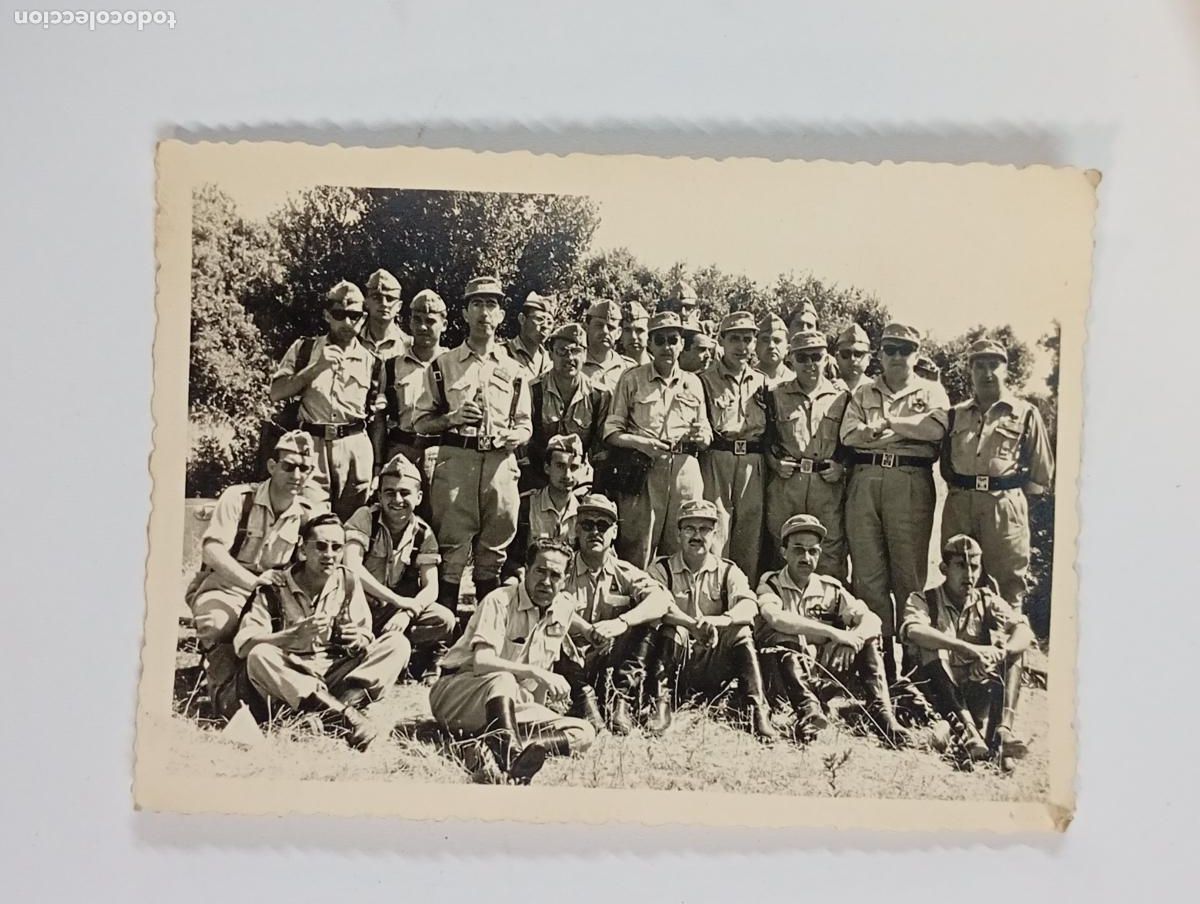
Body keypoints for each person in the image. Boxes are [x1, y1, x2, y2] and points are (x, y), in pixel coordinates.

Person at [234, 513, 411, 750]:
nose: (329, 555)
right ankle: (346, 718)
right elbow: (244, 646)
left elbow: (366, 635)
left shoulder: (348, 580)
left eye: (337, 547)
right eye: (321, 546)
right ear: (302, 550)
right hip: (294, 676)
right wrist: (290, 636)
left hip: (338, 673)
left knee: (397, 644)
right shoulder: (274, 587)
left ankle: (330, 712)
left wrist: (357, 639)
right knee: (260, 656)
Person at [428, 537, 596, 784]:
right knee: (504, 678)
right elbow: (482, 662)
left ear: (565, 580)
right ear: (526, 571)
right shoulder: (500, 600)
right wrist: (536, 673)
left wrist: (540, 707)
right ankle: (510, 756)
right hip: (459, 694)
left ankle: (494, 747)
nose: (546, 581)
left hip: (508, 707)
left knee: (583, 733)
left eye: (555, 575)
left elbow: (539, 683)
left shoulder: (563, 609)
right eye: (540, 571)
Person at [412, 275, 532, 613]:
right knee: (451, 551)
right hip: (457, 462)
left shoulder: (515, 369)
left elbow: (525, 425)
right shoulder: (443, 365)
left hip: (499, 464)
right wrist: (452, 418)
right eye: (477, 304)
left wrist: (515, 436)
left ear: (502, 315)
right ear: (464, 313)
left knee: (493, 554)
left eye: (491, 304)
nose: (484, 312)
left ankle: (485, 637)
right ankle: (440, 639)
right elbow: (421, 422)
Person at [841, 323, 950, 683]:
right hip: (866, 480)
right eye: (891, 349)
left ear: (917, 354)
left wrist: (887, 423)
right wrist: (904, 431)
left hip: (910, 481)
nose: (898, 357)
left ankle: (917, 670)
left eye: (905, 350)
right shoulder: (864, 391)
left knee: (908, 575)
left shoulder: (930, 390)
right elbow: (850, 437)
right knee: (868, 577)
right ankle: (878, 672)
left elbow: (934, 430)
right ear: (880, 353)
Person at [187, 431, 321, 714]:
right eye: (288, 466)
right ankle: (223, 687)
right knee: (217, 622)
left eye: (304, 468)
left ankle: (281, 691)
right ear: (272, 466)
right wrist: (253, 582)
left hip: (273, 596)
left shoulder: (308, 513)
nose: (297, 475)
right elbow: (212, 550)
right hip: (226, 586)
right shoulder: (239, 498)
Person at [756, 514, 911, 746]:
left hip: (825, 672)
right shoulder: (771, 583)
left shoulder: (830, 588)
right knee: (782, 636)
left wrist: (853, 639)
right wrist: (834, 634)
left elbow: (872, 619)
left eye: (813, 551)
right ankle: (808, 713)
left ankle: (883, 715)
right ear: (783, 552)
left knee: (868, 639)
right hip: (785, 677)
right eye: (798, 550)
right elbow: (775, 618)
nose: (806, 558)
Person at [642, 500, 778, 739]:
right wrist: (691, 625)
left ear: (715, 534)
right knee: (672, 631)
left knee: (741, 631)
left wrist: (719, 621)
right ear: (678, 533)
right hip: (677, 662)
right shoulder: (661, 568)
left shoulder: (728, 570)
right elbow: (657, 606)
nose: (697, 536)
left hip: (716, 661)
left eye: (704, 529)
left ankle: (757, 710)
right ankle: (661, 705)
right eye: (689, 529)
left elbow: (749, 605)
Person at [900, 534, 1035, 761]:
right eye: (960, 566)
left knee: (1014, 653)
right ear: (944, 568)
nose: (969, 575)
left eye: (974, 567)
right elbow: (914, 630)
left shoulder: (985, 599)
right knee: (931, 647)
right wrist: (967, 649)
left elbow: (1024, 630)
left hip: (973, 690)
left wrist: (999, 654)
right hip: (934, 693)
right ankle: (969, 734)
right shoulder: (924, 599)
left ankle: (1003, 733)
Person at [941, 339, 1055, 607]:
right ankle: (963, 648)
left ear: (1006, 370)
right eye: (979, 366)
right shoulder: (955, 414)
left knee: (1008, 585)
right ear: (970, 371)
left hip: (1003, 505)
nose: (987, 373)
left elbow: (1041, 474)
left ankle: (1008, 648)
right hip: (961, 504)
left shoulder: (1025, 413)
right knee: (958, 582)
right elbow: (946, 464)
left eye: (994, 365)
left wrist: (1011, 503)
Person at [556, 493, 672, 734]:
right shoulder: (561, 568)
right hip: (566, 663)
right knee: (552, 623)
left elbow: (662, 599)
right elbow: (546, 603)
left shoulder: (624, 571)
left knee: (648, 619)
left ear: (615, 532)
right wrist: (585, 629)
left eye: (603, 525)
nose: (595, 532)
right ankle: (584, 700)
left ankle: (621, 700)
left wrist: (622, 622)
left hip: (608, 661)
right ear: (577, 530)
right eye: (587, 525)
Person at [604, 310, 712, 568]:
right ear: (650, 344)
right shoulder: (632, 379)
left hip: (685, 474)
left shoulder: (694, 383)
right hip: (644, 472)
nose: (667, 346)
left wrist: (701, 436)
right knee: (638, 547)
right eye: (660, 340)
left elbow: (707, 433)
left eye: (673, 340)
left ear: (682, 344)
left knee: (683, 547)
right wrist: (641, 443)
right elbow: (611, 432)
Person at [269, 280, 377, 520]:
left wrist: (377, 465)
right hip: (312, 446)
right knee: (312, 522)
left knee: (353, 524)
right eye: (340, 314)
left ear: (364, 317)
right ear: (327, 316)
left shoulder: (373, 361)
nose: (348, 322)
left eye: (355, 315)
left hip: (355, 448)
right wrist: (316, 367)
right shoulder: (304, 349)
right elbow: (276, 392)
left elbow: (378, 419)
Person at [344, 453, 455, 684]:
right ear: (379, 495)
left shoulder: (423, 533)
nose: (397, 499)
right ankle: (372, 655)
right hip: (356, 605)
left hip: (392, 612)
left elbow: (430, 587)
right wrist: (397, 600)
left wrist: (407, 613)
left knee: (444, 619)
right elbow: (351, 565)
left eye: (405, 492)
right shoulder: (365, 518)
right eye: (389, 492)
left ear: (419, 497)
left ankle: (401, 653)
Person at [763, 329, 851, 581]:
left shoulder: (842, 397)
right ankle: (780, 614)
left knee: (829, 552)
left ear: (827, 359)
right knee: (782, 550)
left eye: (816, 356)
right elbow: (766, 437)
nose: (810, 364)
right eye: (802, 358)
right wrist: (774, 462)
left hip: (826, 485)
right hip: (787, 484)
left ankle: (827, 616)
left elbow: (850, 443)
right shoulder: (775, 394)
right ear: (790, 359)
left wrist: (842, 467)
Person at [698, 310, 768, 584]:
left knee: (749, 536)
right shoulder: (705, 380)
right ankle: (713, 595)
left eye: (748, 339)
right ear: (722, 340)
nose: (742, 346)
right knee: (717, 532)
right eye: (735, 339)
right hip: (719, 457)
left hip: (752, 460)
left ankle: (742, 602)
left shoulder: (762, 382)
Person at [526, 323, 611, 491]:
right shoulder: (533, 390)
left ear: (585, 355)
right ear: (550, 354)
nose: (569, 358)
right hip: (537, 478)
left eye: (576, 351)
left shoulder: (599, 396)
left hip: (579, 480)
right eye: (562, 351)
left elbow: (600, 452)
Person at [377, 288, 448, 472]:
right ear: (409, 322)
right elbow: (380, 419)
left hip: (443, 453)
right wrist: (378, 463)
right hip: (402, 450)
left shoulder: (453, 364)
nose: (423, 327)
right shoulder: (392, 366)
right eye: (417, 320)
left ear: (444, 324)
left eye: (431, 321)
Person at [513, 434, 585, 556]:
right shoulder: (526, 505)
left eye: (573, 467)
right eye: (560, 466)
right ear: (547, 468)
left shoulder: (584, 510)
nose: (567, 475)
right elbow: (512, 557)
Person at [581, 299, 635, 391]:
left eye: (611, 328)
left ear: (618, 333)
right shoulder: (574, 364)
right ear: (586, 328)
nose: (605, 331)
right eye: (599, 325)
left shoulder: (629, 368)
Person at [359, 268, 411, 362]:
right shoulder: (352, 341)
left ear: (399, 306)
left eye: (390, 299)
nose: (384, 303)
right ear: (366, 302)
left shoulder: (409, 346)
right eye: (376, 298)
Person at [504, 291, 555, 380]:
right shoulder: (504, 353)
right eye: (540, 319)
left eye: (550, 322)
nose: (545, 326)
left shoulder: (551, 360)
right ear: (522, 319)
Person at [754, 313, 795, 389]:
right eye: (765, 340)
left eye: (777, 341)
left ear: (787, 349)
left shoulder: (795, 382)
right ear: (756, 346)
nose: (771, 346)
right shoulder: (746, 379)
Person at [833, 323, 872, 394]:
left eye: (858, 354)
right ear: (837, 358)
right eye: (846, 354)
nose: (852, 359)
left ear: (868, 359)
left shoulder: (877, 392)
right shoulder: (828, 390)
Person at [619, 300, 651, 365]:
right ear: (620, 334)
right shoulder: (613, 369)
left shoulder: (659, 367)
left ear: (649, 334)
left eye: (639, 331)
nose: (633, 336)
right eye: (627, 330)